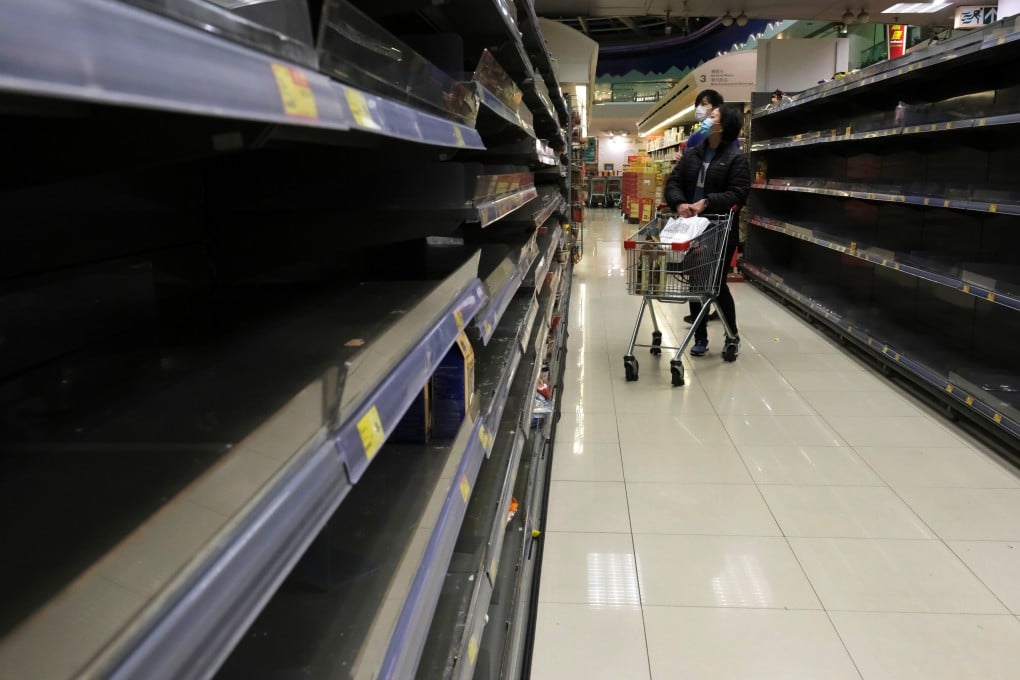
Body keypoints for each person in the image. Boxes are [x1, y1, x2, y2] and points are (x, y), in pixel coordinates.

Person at [663, 104, 750, 357]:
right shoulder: (692, 154)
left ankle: (731, 335)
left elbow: (739, 193)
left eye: (713, 116)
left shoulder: (736, 159)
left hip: (720, 229)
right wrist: (679, 203)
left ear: (724, 126)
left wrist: (707, 202)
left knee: (716, 284)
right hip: (691, 228)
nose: (706, 119)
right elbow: (674, 182)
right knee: (695, 280)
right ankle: (699, 336)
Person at [682, 89, 725, 323]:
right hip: (694, 210)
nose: (702, 109)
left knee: (706, 266)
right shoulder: (698, 136)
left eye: (707, 105)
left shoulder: (720, 141)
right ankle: (701, 312)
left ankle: (705, 312)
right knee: (700, 264)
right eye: (699, 104)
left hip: (713, 212)